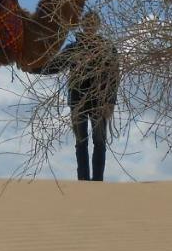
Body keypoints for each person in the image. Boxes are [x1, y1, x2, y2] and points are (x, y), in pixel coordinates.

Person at [41, 11, 120, 181]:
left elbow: (114, 77)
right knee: (80, 143)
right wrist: (34, 67)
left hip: (100, 102)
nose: (90, 26)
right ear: (82, 25)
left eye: (93, 23)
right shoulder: (73, 48)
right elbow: (55, 65)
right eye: (87, 23)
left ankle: (97, 181)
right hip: (77, 101)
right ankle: (83, 181)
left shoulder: (107, 48)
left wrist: (111, 102)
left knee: (99, 142)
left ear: (98, 25)